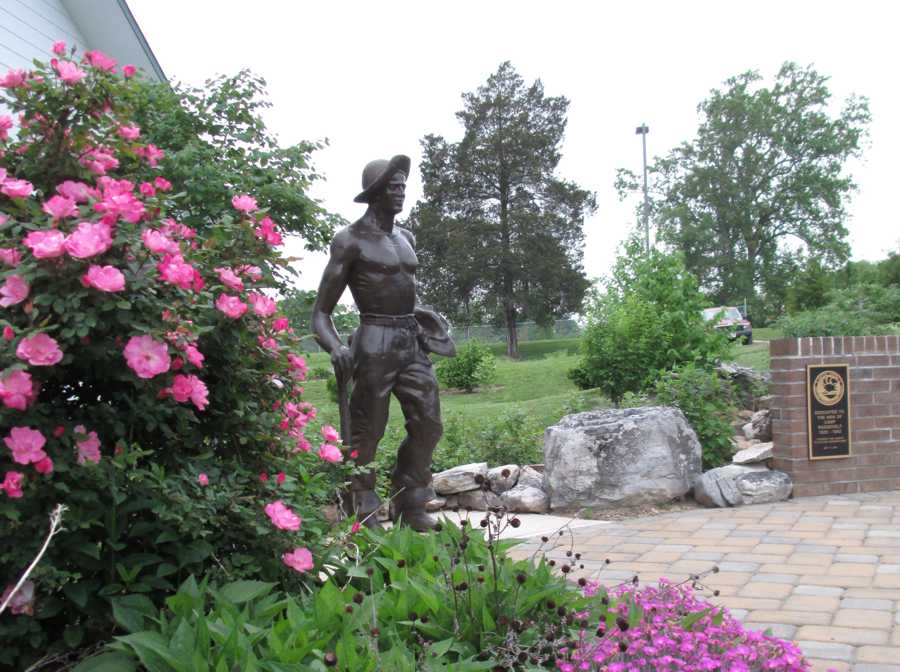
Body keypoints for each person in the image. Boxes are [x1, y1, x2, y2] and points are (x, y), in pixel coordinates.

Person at [311, 155, 455, 531]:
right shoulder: (350, 240)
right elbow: (320, 314)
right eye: (394, 186)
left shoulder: (406, 238)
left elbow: (402, 289)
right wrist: (336, 347)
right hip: (374, 341)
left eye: (403, 186)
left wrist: (424, 321)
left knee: (429, 423)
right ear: (375, 193)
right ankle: (363, 506)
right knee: (368, 429)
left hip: (410, 340)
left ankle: (410, 499)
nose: (401, 192)